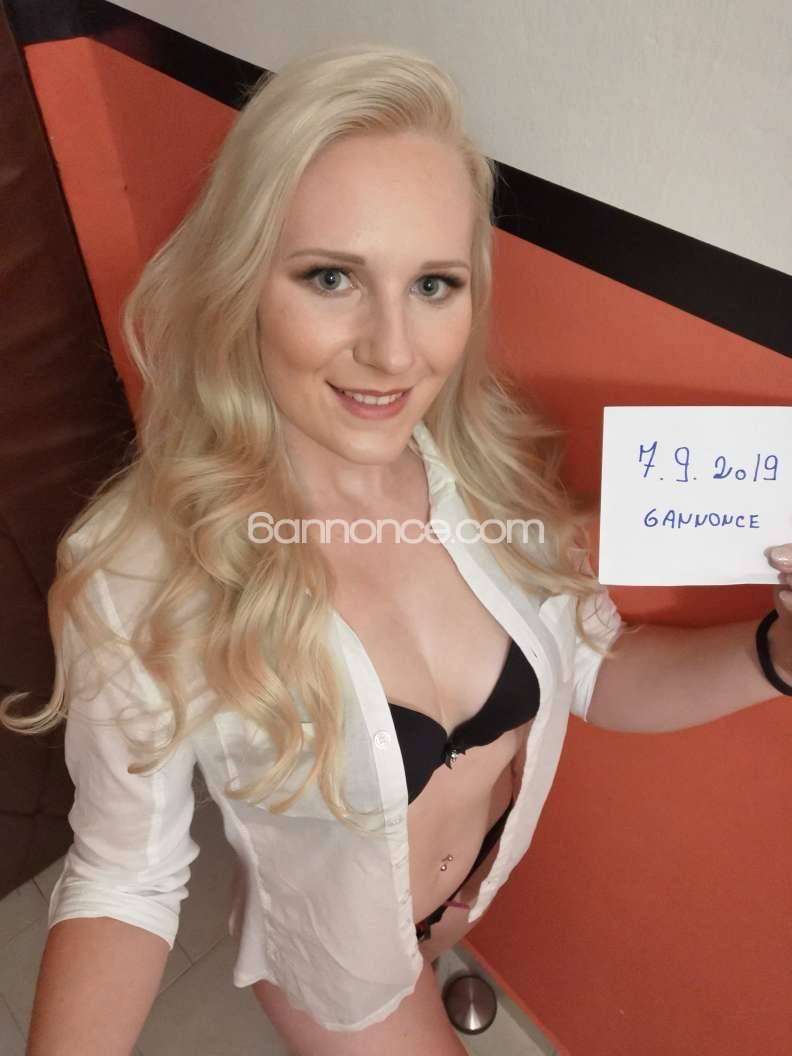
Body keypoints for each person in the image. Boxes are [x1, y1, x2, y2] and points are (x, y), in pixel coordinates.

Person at [3, 41, 790, 1056]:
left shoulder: (496, 473)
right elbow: (125, 878)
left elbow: (597, 670)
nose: (392, 350)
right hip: (333, 969)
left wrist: (775, 656)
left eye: (433, 285)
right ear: (242, 282)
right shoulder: (141, 578)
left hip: (469, 900)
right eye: (331, 277)